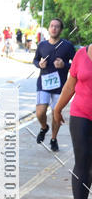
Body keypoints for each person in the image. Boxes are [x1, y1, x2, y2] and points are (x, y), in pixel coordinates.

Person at [54, 42, 92, 199]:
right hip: (81, 114)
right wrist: (58, 108)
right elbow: (70, 85)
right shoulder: (81, 55)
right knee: (82, 160)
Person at [33, 18, 75, 152]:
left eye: (57, 27)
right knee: (40, 112)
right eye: (52, 26)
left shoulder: (67, 46)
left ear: (60, 30)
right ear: (49, 28)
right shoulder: (42, 45)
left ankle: (53, 138)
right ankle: (44, 127)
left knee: (56, 113)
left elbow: (76, 64)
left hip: (60, 86)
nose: (54, 29)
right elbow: (35, 60)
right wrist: (39, 64)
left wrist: (64, 65)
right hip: (43, 84)